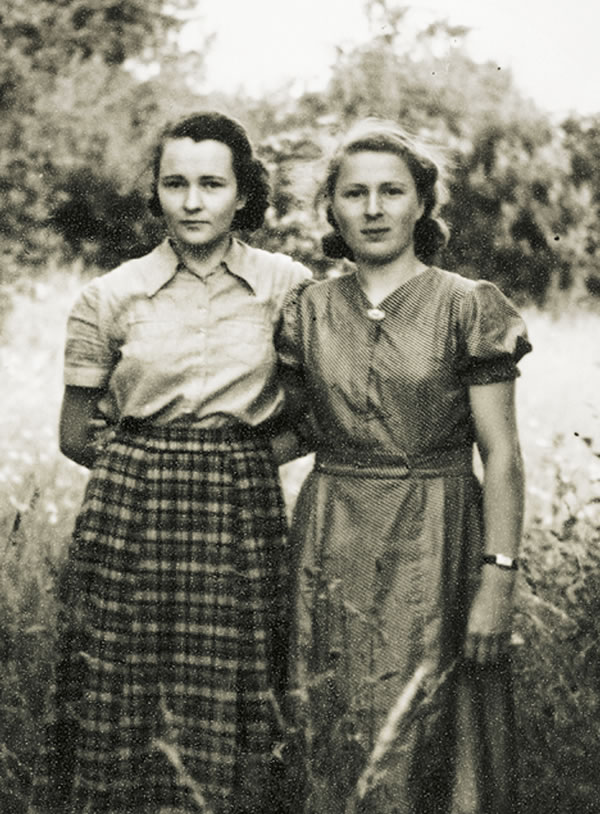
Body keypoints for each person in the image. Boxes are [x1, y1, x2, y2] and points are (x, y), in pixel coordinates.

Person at [30, 111, 311, 814]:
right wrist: (147, 466)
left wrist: (242, 464)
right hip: (132, 507)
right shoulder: (109, 295)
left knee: (234, 681)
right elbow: (76, 433)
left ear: (242, 193)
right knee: (119, 680)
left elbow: (314, 415)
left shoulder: (288, 287)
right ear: (155, 191)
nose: (191, 201)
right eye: (174, 183)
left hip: (238, 508)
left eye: (211, 184)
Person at [276, 119, 532, 813]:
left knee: (431, 728)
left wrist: (498, 580)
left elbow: (502, 454)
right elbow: (301, 431)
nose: (373, 208)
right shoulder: (307, 309)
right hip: (331, 534)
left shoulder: (466, 305)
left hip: (436, 531)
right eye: (354, 193)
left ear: (422, 202)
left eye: (392, 191)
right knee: (330, 716)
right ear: (331, 207)